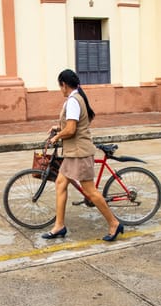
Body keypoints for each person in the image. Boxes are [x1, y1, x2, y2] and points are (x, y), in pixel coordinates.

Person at [41, 69, 124, 241]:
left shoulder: (73, 100)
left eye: (60, 86)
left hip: (79, 153)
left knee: (90, 192)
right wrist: (58, 128)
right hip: (73, 152)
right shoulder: (75, 98)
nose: (60, 89)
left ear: (64, 84)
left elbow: (71, 130)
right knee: (60, 183)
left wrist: (57, 136)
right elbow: (73, 124)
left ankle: (114, 223)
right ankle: (59, 226)